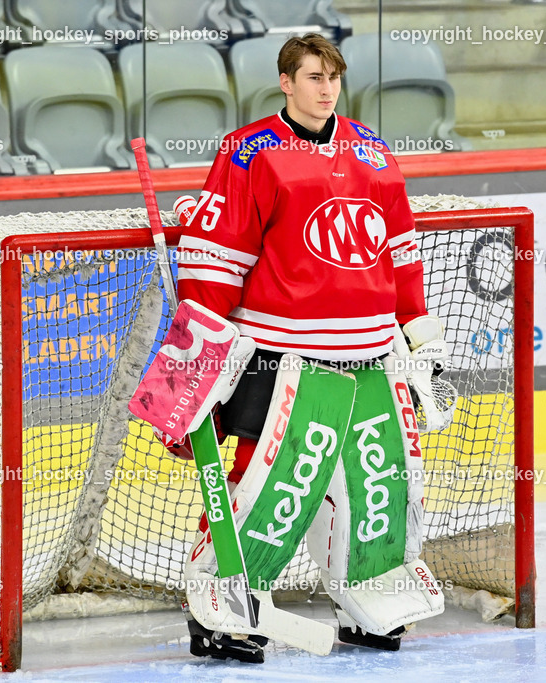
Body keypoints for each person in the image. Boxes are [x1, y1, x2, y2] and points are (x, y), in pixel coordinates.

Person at [173, 33, 447, 662]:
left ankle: (366, 597)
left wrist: (418, 335)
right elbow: (217, 260)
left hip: (373, 353)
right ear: (286, 82)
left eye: (334, 78)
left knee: (378, 482)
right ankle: (220, 604)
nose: (326, 89)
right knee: (263, 482)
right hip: (280, 356)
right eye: (314, 77)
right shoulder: (249, 154)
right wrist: (196, 363)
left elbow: (400, 251)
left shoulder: (373, 151)